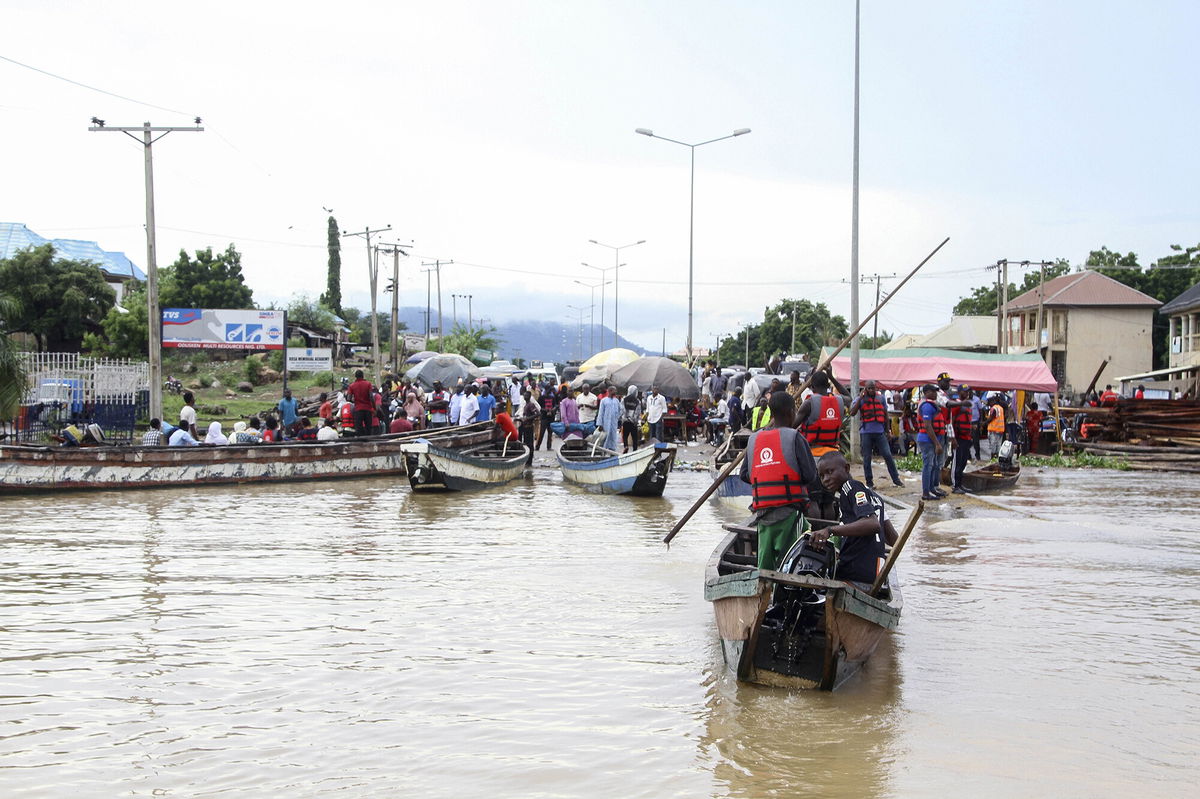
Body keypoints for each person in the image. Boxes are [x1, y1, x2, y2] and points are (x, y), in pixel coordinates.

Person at [738, 391, 818, 571]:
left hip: (762, 514)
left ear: (771, 414)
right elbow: (810, 476)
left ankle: (764, 593)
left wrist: (766, 476)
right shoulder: (796, 437)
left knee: (764, 564)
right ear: (792, 412)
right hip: (790, 512)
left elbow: (744, 474)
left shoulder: (754, 439)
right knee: (791, 563)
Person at [811, 451, 891, 586]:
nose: (825, 479)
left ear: (846, 469)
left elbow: (872, 524)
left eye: (830, 472)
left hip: (854, 572)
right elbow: (893, 539)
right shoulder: (876, 497)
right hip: (874, 574)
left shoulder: (849, 487)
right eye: (822, 476)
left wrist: (830, 530)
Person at [848, 380, 902, 488]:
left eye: (873, 388)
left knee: (887, 455)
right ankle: (869, 482)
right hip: (866, 432)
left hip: (880, 432)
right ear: (865, 389)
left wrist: (888, 431)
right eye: (869, 388)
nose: (871, 390)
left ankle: (896, 479)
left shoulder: (881, 398)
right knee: (867, 458)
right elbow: (852, 412)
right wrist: (860, 398)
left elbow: (885, 415)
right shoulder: (860, 399)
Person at [795, 371, 844, 453]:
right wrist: (831, 377)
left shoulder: (809, 403)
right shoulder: (839, 401)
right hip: (833, 451)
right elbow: (849, 397)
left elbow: (791, 427)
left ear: (812, 387)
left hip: (812, 452)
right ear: (828, 386)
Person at [917, 384, 946, 501]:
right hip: (927, 440)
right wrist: (937, 443)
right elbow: (928, 426)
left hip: (932, 440)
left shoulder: (931, 405)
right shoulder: (927, 407)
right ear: (926, 392)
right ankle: (925, 492)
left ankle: (931, 489)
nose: (935, 394)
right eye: (933, 392)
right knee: (928, 466)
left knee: (933, 465)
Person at [949, 388, 975, 493]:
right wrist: (953, 438)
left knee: (963, 462)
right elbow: (952, 421)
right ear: (959, 392)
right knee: (957, 462)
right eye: (965, 391)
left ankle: (960, 484)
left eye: (968, 391)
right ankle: (955, 485)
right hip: (958, 437)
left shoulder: (968, 406)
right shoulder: (956, 405)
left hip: (966, 438)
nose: (967, 393)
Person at [346, 370, 376, 437]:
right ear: (363, 376)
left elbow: (348, 398)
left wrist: (356, 400)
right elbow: (371, 397)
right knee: (368, 428)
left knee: (358, 429)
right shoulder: (368, 384)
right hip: (368, 409)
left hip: (358, 409)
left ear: (355, 377)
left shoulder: (352, 386)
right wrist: (374, 408)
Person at [597, 387, 622, 451]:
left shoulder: (616, 400)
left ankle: (612, 451)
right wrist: (600, 424)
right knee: (605, 437)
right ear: (610, 391)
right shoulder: (604, 400)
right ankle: (604, 451)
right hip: (605, 423)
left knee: (613, 436)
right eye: (615, 390)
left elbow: (620, 410)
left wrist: (617, 417)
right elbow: (601, 413)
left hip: (614, 422)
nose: (616, 392)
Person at [518, 390, 538, 466]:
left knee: (529, 444)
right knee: (526, 443)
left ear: (529, 397)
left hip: (529, 427)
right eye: (524, 395)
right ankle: (527, 460)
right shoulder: (525, 405)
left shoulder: (531, 405)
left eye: (526, 395)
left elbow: (537, 414)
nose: (525, 397)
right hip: (525, 427)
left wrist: (528, 418)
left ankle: (529, 461)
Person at [621, 386, 643, 452]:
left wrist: (624, 418)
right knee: (634, 437)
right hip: (633, 421)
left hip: (625, 420)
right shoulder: (637, 401)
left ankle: (626, 446)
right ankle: (635, 449)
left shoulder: (624, 399)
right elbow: (638, 411)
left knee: (625, 435)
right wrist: (636, 419)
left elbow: (622, 410)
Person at [536, 384, 558, 450]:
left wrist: (553, 409)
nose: (549, 392)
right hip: (544, 417)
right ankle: (537, 446)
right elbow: (538, 407)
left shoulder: (552, 397)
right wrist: (545, 410)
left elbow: (556, 405)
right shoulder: (541, 398)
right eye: (548, 390)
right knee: (541, 433)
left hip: (551, 417)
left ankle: (549, 446)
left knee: (550, 433)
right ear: (546, 390)